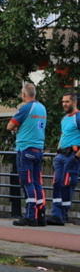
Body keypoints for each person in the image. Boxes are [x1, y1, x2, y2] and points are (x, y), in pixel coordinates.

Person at [7, 82, 47, 227]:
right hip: (39, 149)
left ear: (24, 94)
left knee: (27, 182)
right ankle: (41, 214)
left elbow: (10, 125)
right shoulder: (42, 108)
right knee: (37, 183)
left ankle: (30, 216)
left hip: (25, 149)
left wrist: (17, 128)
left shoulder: (25, 108)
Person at [48, 91, 80, 226]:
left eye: (67, 101)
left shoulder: (78, 117)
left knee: (67, 184)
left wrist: (77, 157)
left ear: (74, 102)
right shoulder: (65, 118)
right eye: (63, 102)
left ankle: (62, 214)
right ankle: (56, 214)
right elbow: (63, 136)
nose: (64, 104)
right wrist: (57, 152)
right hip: (61, 155)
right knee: (57, 183)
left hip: (72, 155)